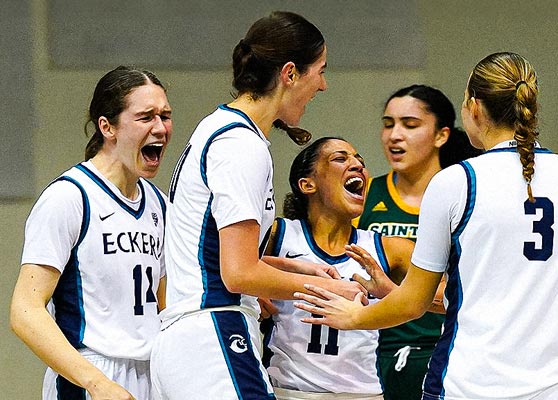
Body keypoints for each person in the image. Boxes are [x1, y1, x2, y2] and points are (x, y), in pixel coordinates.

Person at [294, 52, 558, 400]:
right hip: (557, 386)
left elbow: (414, 302)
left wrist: (352, 317)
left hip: (469, 385)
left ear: (474, 107)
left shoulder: (459, 181)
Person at [150, 11, 366, 400]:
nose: (324, 85)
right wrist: (324, 288)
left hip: (186, 340)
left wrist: (285, 267)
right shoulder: (241, 146)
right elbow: (237, 274)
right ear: (290, 73)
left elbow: (211, 253)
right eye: (320, 70)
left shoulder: (216, 128)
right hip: (214, 334)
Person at [9, 66, 173, 400]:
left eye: (165, 116)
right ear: (107, 126)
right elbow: (24, 312)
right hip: (90, 375)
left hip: (152, 372)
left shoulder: (160, 204)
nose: (160, 128)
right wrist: (96, 383)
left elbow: (165, 302)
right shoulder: (70, 197)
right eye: (146, 117)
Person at [263, 136, 437, 400]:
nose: (357, 165)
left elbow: (452, 299)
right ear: (307, 184)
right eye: (340, 158)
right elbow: (224, 268)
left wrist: (391, 291)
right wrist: (253, 293)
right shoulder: (279, 235)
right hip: (288, 391)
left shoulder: (388, 248)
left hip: (362, 393)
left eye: (360, 160)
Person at [355, 84, 480, 400]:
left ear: (441, 135)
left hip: (446, 351)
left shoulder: (467, 196)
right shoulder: (364, 195)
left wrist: (401, 294)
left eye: (409, 125)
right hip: (374, 355)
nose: (394, 135)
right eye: (388, 124)